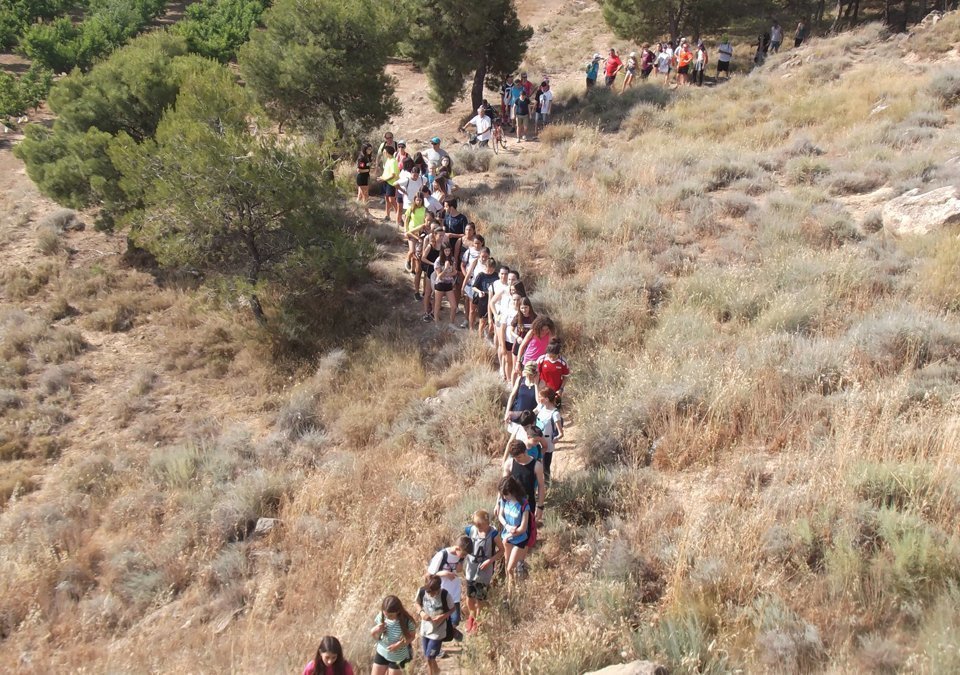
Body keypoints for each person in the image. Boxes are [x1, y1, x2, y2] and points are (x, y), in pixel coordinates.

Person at [463, 510, 504, 634]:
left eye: (480, 525)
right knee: (470, 596)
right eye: (476, 524)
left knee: (480, 598)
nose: (478, 527)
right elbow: (463, 543)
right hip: (471, 569)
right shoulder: (470, 530)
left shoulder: (493, 534)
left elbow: (501, 550)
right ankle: (472, 617)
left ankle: (478, 622)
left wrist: (490, 561)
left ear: (487, 523)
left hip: (484, 572)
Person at [427, 536, 471, 639]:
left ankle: (448, 633)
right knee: (438, 619)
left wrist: (460, 566)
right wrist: (443, 573)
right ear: (457, 548)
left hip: (454, 593)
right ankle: (438, 641)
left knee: (455, 619)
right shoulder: (442, 555)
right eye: (464, 554)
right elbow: (429, 574)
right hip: (441, 593)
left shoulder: (461, 557)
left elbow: (458, 571)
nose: (464, 556)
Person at [495, 475, 533, 585]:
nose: (504, 497)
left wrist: (511, 535)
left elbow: (523, 528)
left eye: (506, 494)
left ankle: (517, 591)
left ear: (513, 491)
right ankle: (511, 592)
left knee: (511, 568)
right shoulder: (504, 500)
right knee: (508, 565)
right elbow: (500, 516)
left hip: (519, 540)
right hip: (507, 538)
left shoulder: (523, 504)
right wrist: (507, 527)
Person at [415, 575, 453, 675]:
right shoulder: (422, 591)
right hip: (425, 629)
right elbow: (417, 603)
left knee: (430, 657)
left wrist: (443, 616)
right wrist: (421, 613)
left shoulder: (445, 594)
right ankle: (436, 671)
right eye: (428, 592)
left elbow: (452, 609)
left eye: (433, 593)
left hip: (438, 631)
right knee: (427, 656)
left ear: (438, 588)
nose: (430, 595)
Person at [370, 595, 416, 673]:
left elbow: (412, 637)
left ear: (398, 611)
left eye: (390, 615)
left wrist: (398, 645)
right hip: (381, 653)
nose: (387, 617)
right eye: (385, 615)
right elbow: (375, 636)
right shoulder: (381, 616)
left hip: (398, 657)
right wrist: (374, 630)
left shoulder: (407, 621)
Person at [533, 387, 563, 482]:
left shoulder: (555, 414)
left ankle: (547, 485)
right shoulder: (540, 407)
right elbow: (530, 413)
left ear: (546, 399)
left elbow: (561, 433)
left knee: (545, 467)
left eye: (540, 396)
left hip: (547, 443)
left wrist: (556, 439)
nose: (538, 398)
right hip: (536, 441)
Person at [469, 256, 499, 339]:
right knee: (482, 320)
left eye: (491, 270)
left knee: (493, 320)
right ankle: (480, 338)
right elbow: (474, 286)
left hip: (494, 300)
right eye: (488, 269)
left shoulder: (496, 276)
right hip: (483, 300)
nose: (489, 272)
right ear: (485, 267)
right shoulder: (481, 275)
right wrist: (479, 292)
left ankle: (489, 336)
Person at [536, 339, 570, 405]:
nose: (552, 358)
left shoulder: (563, 362)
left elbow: (565, 377)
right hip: (543, 391)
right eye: (550, 356)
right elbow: (536, 373)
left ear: (558, 354)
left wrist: (561, 389)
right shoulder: (542, 359)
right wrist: (538, 385)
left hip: (556, 392)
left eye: (554, 356)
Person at [431, 245, 458, 324]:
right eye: (446, 251)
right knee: (438, 304)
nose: (447, 253)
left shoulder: (452, 259)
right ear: (442, 251)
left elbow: (455, 271)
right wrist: (446, 268)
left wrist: (449, 274)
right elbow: (439, 276)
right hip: (440, 284)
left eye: (449, 251)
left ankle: (451, 323)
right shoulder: (438, 260)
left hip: (449, 284)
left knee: (454, 306)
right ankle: (436, 321)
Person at [397, 164, 427, 229]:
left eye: (417, 175)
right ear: (411, 173)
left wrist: (422, 191)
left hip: (418, 201)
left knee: (416, 217)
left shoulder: (422, 179)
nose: (415, 177)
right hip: (409, 202)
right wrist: (403, 191)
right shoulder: (407, 180)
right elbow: (395, 184)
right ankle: (406, 230)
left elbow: (426, 182)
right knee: (407, 217)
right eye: (414, 175)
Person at [380, 146, 401, 222]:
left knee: (392, 200)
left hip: (391, 183)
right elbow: (386, 172)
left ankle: (399, 217)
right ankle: (387, 216)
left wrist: (384, 179)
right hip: (385, 182)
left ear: (388, 152)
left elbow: (393, 175)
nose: (383, 153)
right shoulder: (388, 160)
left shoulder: (393, 161)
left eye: (384, 151)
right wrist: (381, 177)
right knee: (387, 199)